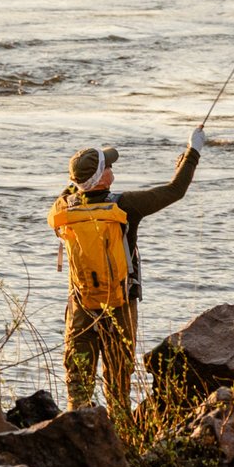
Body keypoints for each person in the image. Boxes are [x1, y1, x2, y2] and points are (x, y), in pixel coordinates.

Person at [49, 126, 205, 419]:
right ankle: (121, 435)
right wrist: (192, 152)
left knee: (78, 384)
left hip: (80, 304)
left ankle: (74, 430)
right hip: (119, 304)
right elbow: (175, 190)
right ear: (102, 178)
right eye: (108, 166)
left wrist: (78, 182)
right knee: (117, 383)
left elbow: (72, 188)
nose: (112, 168)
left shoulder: (63, 207)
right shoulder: (125, 206)